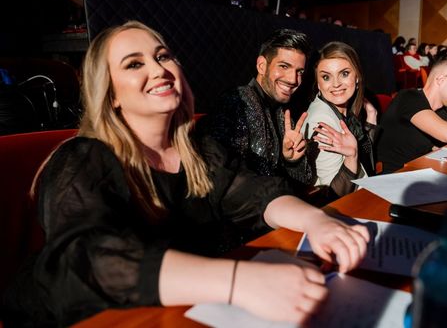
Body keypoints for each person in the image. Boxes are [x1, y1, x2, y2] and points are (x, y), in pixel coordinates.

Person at [3, 21, 370, 327]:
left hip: (172, 310)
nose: (158, 69)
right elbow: (88, 260)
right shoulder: (81, 159)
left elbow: (256, 194)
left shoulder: (199, 152)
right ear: (110, 93)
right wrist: (238, 281)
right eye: (134, 64)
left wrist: (317, 221)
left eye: (163, 56)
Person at [201, 29, 313, 187]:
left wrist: (291, 161)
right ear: (262, 65)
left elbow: (304, 182)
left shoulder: (283, 113)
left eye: (299, 71)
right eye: (284, 66)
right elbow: (224, 179)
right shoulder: (238, 101)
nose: (293, 79)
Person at [302, 42, 378, 197]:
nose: (336, 84)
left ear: (357, 77)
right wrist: (351, 156)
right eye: (326, 77)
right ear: (318, 83)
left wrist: (371, 116)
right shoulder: (322, 121)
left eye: (344, 74)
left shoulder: (342, 110)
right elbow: (333, 194)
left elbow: (365, 157)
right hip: (349, 205)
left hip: (365, 194)